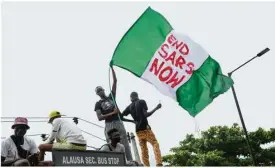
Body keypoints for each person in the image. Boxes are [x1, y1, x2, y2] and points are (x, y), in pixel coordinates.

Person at [94, 65, 133, 161]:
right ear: (97, 94)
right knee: (111, 142)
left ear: (103, 90)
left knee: (124, 141)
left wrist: (112, 69)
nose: (100, 92)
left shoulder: (111, 97)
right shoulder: (98, 104)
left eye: (101, 90)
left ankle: (129, 161)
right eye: (98, 91)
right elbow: (99, 117)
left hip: (118, 122)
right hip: (109, 124)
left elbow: (115, 82)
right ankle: (114, 162)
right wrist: (112, 113)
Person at [121, 92, 163, 166]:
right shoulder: (141, 102)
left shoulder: (129, 107)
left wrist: (132, 121)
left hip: (138, 131)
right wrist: (156, 108)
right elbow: (146, 114)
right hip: (145, 128)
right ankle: (159, 163)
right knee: (155, 143)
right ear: (137, 96)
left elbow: (121, 117)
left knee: (144, 150)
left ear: (131, 98)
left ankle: (147, 166)